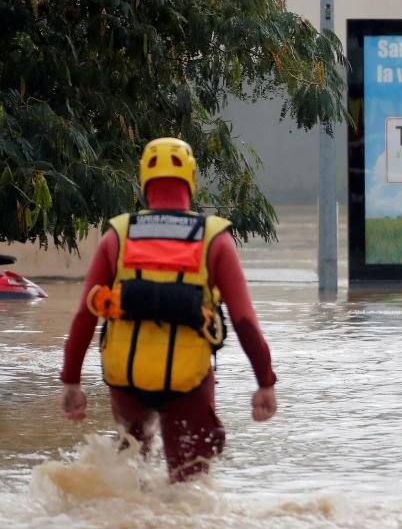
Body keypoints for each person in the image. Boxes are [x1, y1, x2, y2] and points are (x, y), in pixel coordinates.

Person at [60, 138, 277, 482]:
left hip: (126, 378)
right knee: (189, 487)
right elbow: (244, 320)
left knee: (130, 475)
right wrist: (265, 382)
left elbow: (86, 314)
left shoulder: (117, 236)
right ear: (191, 178)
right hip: (188, 380)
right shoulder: (214, 239)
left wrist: (71, 380)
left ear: (144, 179)